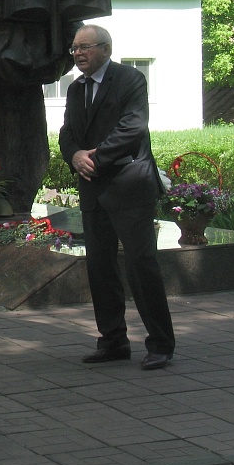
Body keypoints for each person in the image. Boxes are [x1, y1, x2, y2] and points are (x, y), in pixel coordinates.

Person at [59, 24, 175, 371]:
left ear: (105, 49)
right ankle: (113, 341)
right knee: (100, 268)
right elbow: (67, 132)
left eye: (85, 47)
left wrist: (94, 159)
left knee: (141, 265)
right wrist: (74, 155)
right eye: (75, 48)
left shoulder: (130, 79)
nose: (78, 54)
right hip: (93, 189)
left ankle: (160, 344)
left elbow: (133, 127)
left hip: (128, 185)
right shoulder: (75, 88)